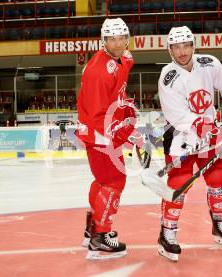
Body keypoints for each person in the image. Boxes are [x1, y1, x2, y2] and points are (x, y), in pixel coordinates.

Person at [157, 26, 222, 262]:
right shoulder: (168, 76)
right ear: (169, 50)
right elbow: (177, 116)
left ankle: (219, 224)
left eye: (186, 46)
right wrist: (205, 127)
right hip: (180, 137)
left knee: (217, 180)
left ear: (193, 45)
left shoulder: (209, 63)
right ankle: (168, 233)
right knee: (179, 184)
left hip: (209, 135)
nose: (182, 52)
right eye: (176, 47)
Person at [76, 18, 143, 260]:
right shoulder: (97, 71)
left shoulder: (125, 58)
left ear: (128, 39)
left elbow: (118, 93)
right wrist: (128, 133)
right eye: (111, 39)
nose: (117, 44)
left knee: (102, 180)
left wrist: (127, 109)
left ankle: (92, 228)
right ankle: (99, 238)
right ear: (103, 41)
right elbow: (98, 116)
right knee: (115, 180)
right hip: (97, 133)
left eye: (121, 38)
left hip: (103, 130)